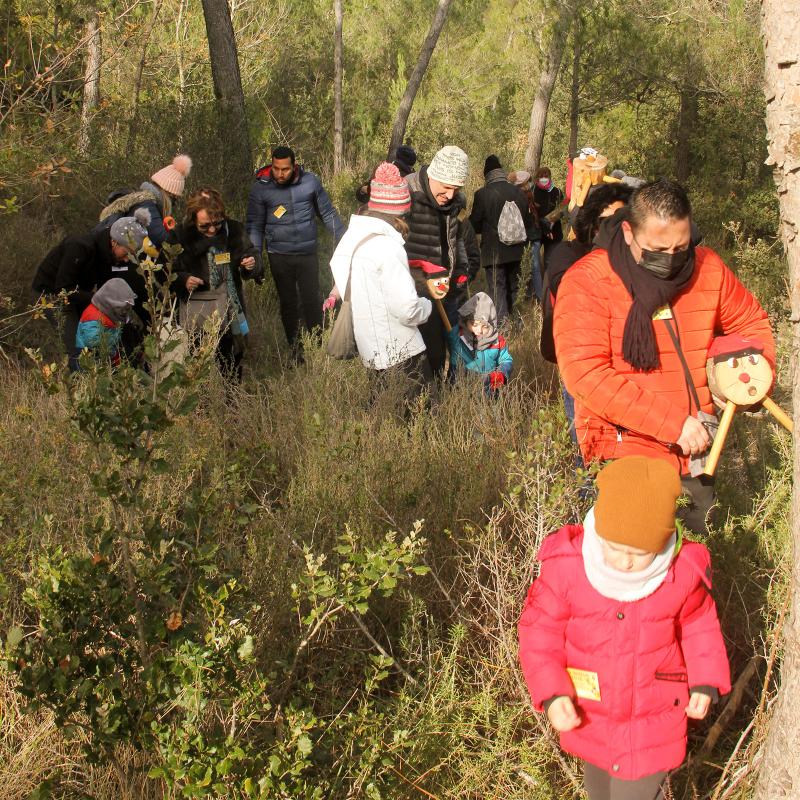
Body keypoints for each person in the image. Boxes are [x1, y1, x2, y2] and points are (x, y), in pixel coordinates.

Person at [553, 179, 775, 534]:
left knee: (691, 563)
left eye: (681, 247)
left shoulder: (708, 267)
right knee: (635, 566)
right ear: (628, 232)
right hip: (623, 451)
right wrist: (672, 423)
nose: (671, 260)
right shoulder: (588, 281)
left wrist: (753, 379)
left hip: (699, 450)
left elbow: (750, 323)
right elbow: (585, 374)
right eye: (657, 250)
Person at [519, 456, 731, 800]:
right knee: (599, 791)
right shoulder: (569, 568)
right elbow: (539, 635)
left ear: (662, 543)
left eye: (639, 553)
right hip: (591, 715)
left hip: (654, 722)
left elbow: (699, 626)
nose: (624, 561)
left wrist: (705, 682)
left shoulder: (680, 573)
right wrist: (553, 692)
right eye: (615, 548)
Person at [327, 163, 432, 392]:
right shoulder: (388, 247)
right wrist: (427, 304)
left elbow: (345, 280)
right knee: (418, 417)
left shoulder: (350, 238)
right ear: (399, 211)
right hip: (403, 353)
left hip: (370, 352)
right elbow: (408, 310)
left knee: (385, 416)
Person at [245, 145, 344, 359]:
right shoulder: (260, 189)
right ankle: (296, 351)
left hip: (307, 253)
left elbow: (327, 213)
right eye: (276, 168)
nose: (280, 174)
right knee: (289, 303)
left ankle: (317, 346)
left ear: (294, 166)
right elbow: (254, 225)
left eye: (285, 169)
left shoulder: (310, 182)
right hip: (279, 255)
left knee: (311, 299)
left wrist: (346, 238)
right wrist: (255, 255)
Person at [32, 209, 152, 370]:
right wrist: (97, 299)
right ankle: (79, 386)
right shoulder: (80, 246)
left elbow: (106, 289)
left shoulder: (111, 257)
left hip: (79, 294)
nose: (126, 259)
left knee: (102, 338)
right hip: (52, 295)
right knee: (79, 348)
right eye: (127, 253)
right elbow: (64, 289)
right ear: (115, 242)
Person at [173, 187, 262, 382]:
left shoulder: (235, 230)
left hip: (231, 309)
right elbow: (167, 271)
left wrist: (251, 264)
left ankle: (233, 403)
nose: (212, 230)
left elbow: (252, 255)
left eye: (217, 224)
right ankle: (202, 406)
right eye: (205, 226)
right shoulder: (179, 236)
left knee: (232, 358)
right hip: (198, 311)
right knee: (198, 361)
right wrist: (183, 279)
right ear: (192, 219)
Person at [404, 145, 472, 376]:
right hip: (416, 291)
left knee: (449, 348)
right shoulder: (407, 193)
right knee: (426, 353)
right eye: (446, 187)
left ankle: (445, 394)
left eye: (456, 188)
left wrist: (461, 268)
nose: (450, 195)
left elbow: (456, 239)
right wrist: (415, 274)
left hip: (448, 288)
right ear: (433, 175)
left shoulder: (456, 203)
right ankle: (425, 402)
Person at [469, 155, 534, 325]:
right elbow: (527, 222)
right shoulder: (519, 192)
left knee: (497, 289)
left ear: (487, 175)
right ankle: (519, 325)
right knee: (516, 287)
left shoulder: (482, 194)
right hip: (518, 249)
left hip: (493, 252)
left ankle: (504, 328)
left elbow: (474, 224)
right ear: (502, 172)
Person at [98, 155, 193, 247]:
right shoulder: (147, 205)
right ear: (169, 194)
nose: (173, 204)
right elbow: (163, 240)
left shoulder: (143, 201)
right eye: (174, 199)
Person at [445, 292, 512, 395]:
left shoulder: (497, 340)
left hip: (491, 392)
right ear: (466, 321)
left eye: (484, 326)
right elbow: (449, 318)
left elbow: (506, 359)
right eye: (474, 324)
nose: (479, 330)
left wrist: (501, 373)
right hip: (463, 393)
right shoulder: (458, 338)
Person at [75, 278, 137, 366]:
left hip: (110, 355)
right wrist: (115, 356)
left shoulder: (109, 314)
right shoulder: (93, 317)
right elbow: (94, 343)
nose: (124, 311)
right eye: (123, 306)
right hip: (91, 363)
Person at [508, 169, 543, 303]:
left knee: (533, 268)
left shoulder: (522, 197)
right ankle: (534, 295)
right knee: (532, 268)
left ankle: (537, 296)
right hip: (532, 236)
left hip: (530, 237)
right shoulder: (528, 195)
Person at [534, 166, 565, 269]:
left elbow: (562, 210)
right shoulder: (533, 191)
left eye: (546, 176)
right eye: (541, 176)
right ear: (537, 177)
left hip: (554, 232)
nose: (544, 178)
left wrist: (552, 220)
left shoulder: (557, 192)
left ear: (550, 176)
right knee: (534, 264)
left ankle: (549, 283)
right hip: (538, 232)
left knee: (550, 262)